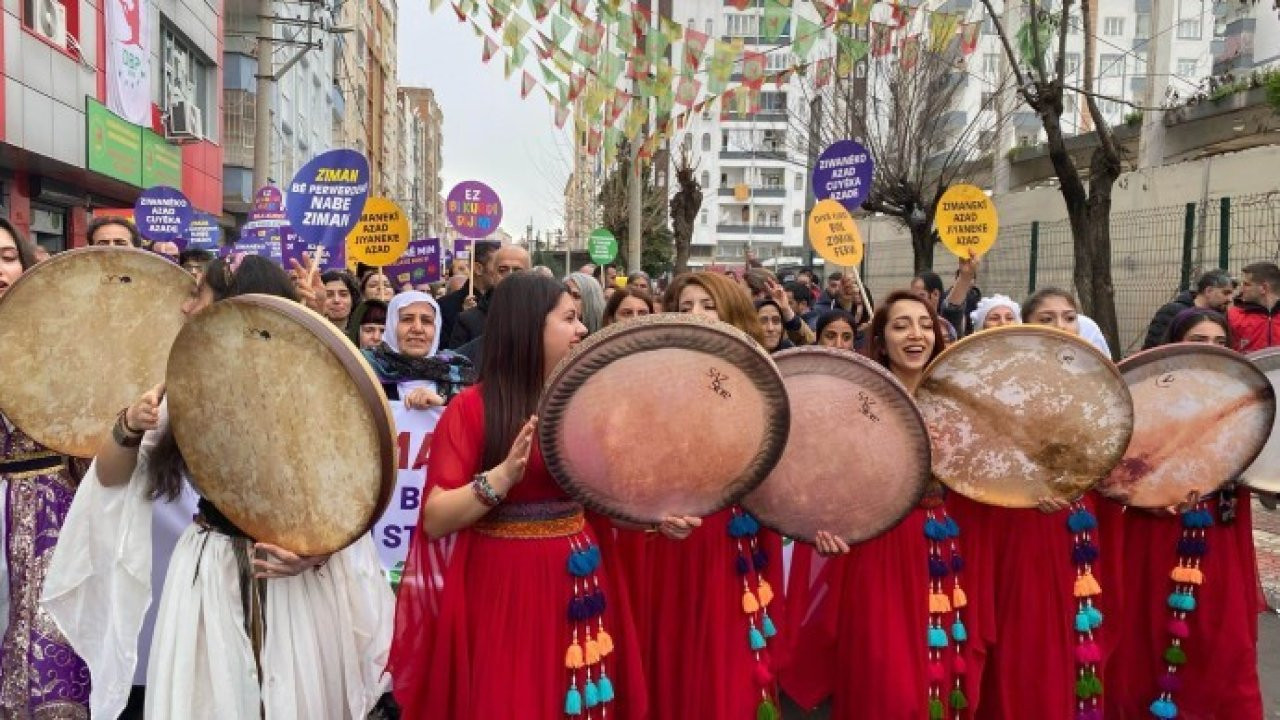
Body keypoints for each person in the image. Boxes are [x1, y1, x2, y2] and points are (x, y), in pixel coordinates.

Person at [41, 255, 394, 719]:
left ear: (230, 305)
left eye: (197, 295)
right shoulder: (183, 381)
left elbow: (349, 495)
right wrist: (127, 425)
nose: (186, 307)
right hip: (212, 575)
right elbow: (109, 477)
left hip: (291, 579)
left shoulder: (313, 384)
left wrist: (317, 552)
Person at [387, 272, 648, 719]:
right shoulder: (470, 409)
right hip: (503, 587)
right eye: (569, 319)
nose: (582, 330)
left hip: (579, 578)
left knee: (580, 697)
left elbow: (608, 503)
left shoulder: (585, 405)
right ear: (530, 327)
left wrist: (657, 517)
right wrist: (500, 479)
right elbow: (435, 518)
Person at [783, 290, 981, 719]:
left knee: (939, 675)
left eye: (926, 325)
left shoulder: (957, 405)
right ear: (881, 339)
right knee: (887, 687)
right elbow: (824, 481)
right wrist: (829, 525)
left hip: (940, 550)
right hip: (877, 554)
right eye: (901, 325)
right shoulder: (856, 405)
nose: (916, 334)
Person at [623, 271, 786, 720]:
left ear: (733, 316)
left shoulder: (765, 384)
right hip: (670, 543)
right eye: (685, 306)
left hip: (735, 541)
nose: (695, 315)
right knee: (671, 660)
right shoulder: (644, 385)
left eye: (707, 306)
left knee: (732, 666)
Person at [956, 285, 1118, 720]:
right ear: (1026, 328)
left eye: (1068, 316)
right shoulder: (998, 388)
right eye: (1046, 319)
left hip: (1079, 528)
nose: (1060, 326)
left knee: (1078, 637)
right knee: (1024, 644)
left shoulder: (1101, 388)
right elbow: (977, 461)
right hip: (1016, 531)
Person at [1104, 307, 1266, 719]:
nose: (1211, 351)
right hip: (1153, 538)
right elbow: (1114, 477)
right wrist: (1150, 495)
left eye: (1220, 343)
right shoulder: (1140, 402)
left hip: (1221, 544)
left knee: (1222, 645)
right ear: (1175, 346)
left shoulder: (1247, 406)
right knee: (1149, 641)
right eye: (1199, 341)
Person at [0, 218, 91, 719]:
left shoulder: (59, 339)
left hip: (54, 512)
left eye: (9, 256)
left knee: (54, 655)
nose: (0, 268)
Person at [362, 292, 475, 405]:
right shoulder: (365, 369)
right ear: (392, 325)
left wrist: (444, 404)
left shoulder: (458, 370)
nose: (417, 329)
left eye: (426, 321)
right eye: (407, 319)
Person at [447, 245, 531, 351]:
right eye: (503, 270)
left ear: (530, 274)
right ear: (493, 275)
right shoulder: (468, 321)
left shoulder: (545, 316)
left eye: (517, 270)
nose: (510, 276)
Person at [1140, 269, 1234, 349]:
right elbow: (1154, 349)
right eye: (1226, 293)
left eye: (1220, 342)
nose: (1230, 299)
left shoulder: (1220, 317)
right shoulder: (1172, 311)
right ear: (1208, 291)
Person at [438, 241, 500, 346]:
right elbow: (447, 353)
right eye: (497, 266)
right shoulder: (444, 306)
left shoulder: (504, 304)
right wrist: (467, 318)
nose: (502, 273)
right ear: (478, 269)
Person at [1228, 261, 1280, 352]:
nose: (1241, 289)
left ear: (1263, 288)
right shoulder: (1233, 315)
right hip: (1245, 366)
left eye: (1247, 284)